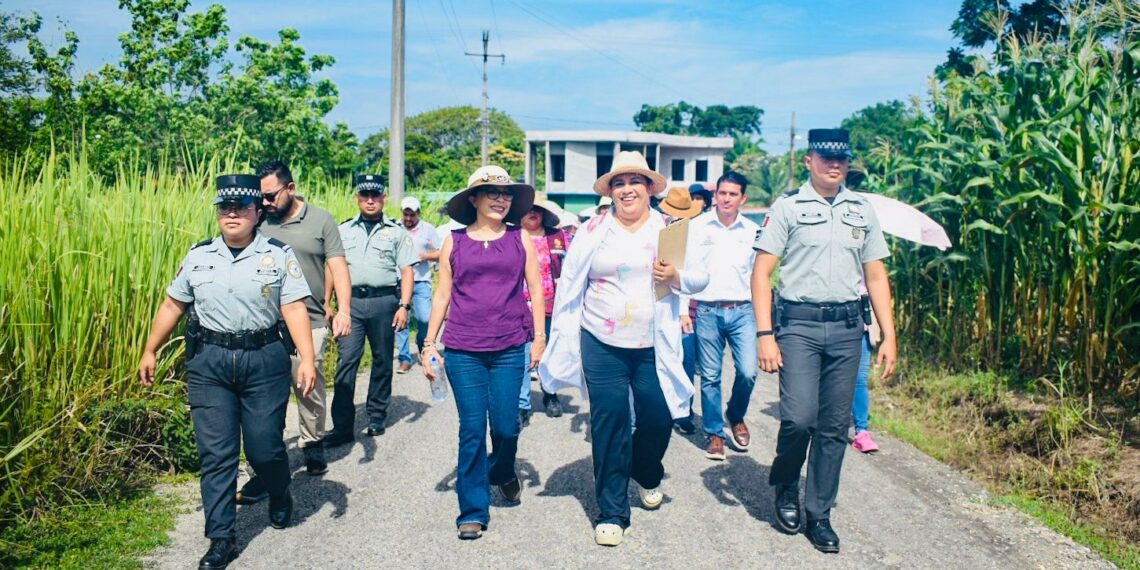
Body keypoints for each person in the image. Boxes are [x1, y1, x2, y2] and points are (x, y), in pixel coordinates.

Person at [138, 174, 317, 570]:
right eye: (225, 208)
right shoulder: (199, 255)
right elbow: (173, 305)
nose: (232, 214)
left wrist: (306, 358)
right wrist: (149, 349)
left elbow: (293, 309)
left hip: (264, 360)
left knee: (264, 447)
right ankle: (222, 538)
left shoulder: (278, 253)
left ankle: (279, 490)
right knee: (216, 454)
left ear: (257, 212)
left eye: (241, 207)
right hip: (209, 363)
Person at [540, 151, 708, 547]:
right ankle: (612, 510)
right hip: (601, 341)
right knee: (610, 422)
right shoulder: (594, 229)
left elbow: (701, 277)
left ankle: (646, 470)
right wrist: (555, 336)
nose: (627, 189)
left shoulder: (670, 229)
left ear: (649, 188)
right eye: (619, 183)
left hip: (653, 344)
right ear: (611, 191)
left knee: (657, 418)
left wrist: (677, 276)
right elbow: (571, 283)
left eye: (635, 181)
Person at [752, 128, 897, 553]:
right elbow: (762, 273)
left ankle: (819, 514)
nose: (834, 165)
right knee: (799, 417)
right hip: (798, 325)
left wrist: (888, 335)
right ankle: (784, 483)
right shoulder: (788, 208)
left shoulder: (862, 209)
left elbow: (875, 275)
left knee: (834, 427)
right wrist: (765, 335)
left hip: (849, 328)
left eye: (842, 159)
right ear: (809, 160)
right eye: (825, 157)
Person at [419, 165, 545, 540]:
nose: (501, 199)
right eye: (492, 192)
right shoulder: (453, 242)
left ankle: (503, 470)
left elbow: (536, 289)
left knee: (507, 426)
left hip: (509, 346)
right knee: (472, 429)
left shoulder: (520, 238)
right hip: (463, 349)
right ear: (473, 199)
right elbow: (442, 293)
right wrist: (428, 344)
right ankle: (473, 509)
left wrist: (539, 337)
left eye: (506, 194)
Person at [233, 160, 350, 501]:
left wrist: (344, 309)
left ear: (291, 188)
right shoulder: (257, 221)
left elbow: (338, 267)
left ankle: (312, 442)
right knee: (262, 399)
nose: (265, 203)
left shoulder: (320, 220)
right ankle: (262, 468)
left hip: (310, 319)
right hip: (264, 325)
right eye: (260, 198)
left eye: (269, 196)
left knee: (307, 386)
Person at [323, 174, 416, 445]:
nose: (370, 200)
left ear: (384, 198)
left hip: (384, 303)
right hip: (349, 305)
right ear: (358, 198)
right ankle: (341, 426)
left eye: (376, 195)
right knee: (347, 361)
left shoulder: (397, 232)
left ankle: (376, 414)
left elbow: (407, 271)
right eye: (365, 195)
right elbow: (333, 267)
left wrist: (404, 306)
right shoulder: (343, 230)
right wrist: (326, 302)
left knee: (382, 359)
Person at [685, 171, 761, 460]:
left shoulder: (753, 231)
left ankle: (735, 414)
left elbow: (758, 276)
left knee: (748, 371)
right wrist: (683, 311)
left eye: (733, 194)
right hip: (706, 310)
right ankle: (715, 433)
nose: (726, 198)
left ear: (743, 198)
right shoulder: (698, 227)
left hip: (742, 310)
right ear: (715, 195)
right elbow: (686, 269)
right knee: (711, 376)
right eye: (722, 193)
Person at [518, 199, 571, 426]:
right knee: (522, 355)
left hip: (552, 305)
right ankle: (522, 403)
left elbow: (573, 267)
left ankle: (550, 394)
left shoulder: (559, 237)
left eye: (536, 210)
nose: (532, 213)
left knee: (550, 353)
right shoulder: (512, 236)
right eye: (527, 209)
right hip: (518, 305)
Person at [658, 186, 706, 435]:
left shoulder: (695, 234)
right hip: (663, 304)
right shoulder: (658, 227)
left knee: (686, 360)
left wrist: (684, 310)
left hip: (689, 304)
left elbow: (690, 273)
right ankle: (665, 409)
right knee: (662, 359)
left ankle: (684, 411)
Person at [394, 196, 441, 375]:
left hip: (421, 280)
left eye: (412, 215)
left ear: (418, 214)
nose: (408, 219)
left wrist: (425, 256)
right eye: (406, 214)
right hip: (399, 280)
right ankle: (404, 358)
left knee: (424, 319)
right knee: (401, 321)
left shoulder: (428, 229)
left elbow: (441, 252)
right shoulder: (395, 228)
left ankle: (423, 347)